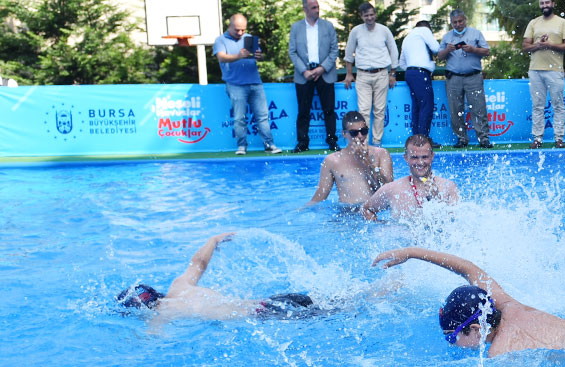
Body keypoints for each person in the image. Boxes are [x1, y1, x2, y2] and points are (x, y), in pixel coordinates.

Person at [371, 247, 565, 356]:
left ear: (476, 329)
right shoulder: (506, 305)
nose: (451, 344)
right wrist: (411, 252)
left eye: (452, 338)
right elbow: (469, 269)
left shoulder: (502, 351)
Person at [116, 233, 316, 326]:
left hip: (265, 315)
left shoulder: (161, 315)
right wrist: (212, 240)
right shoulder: (179, 286)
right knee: (331, 303)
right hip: (273, 300)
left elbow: (152, 342)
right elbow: (199, 263)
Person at [213, 14, 283, 155]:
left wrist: (259, 56)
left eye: (243, 30)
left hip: (255, 82)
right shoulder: (221, 40)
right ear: (229, 26)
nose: (240, 33)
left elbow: (260, 56)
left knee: (262, 116)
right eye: (237, 30)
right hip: (235, 84)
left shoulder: (249, 38)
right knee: (240, 117)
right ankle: (241, 146)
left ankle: (269, 145)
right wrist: (238, 56)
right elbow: (221, 57)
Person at [361, 134, 460, 220]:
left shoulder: (448, 188)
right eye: (414, 157)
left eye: (425, 157)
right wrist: (383, 228)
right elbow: (366, 209)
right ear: (406, 158)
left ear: (432, 156)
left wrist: (436, 198)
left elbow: (455, 223)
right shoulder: (392, 190)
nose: (420, 163)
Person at [306, 111, 395, 207]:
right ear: (344, 134)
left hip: (374, 211)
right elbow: (320, 197)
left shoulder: (381, 154)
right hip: (346, 214)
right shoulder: (332, 161)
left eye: (364, 131)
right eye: (354, 133)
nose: (360, 136)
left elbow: (388, 190)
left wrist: (366, 160)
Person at [287, 0, 341, 153]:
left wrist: (322, 68)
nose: (317, 10)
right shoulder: (296, 28)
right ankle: (302, 142)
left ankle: (332, 141)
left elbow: (334, 50)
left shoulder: (328, 26)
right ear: (305, 9)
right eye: (313, 8)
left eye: (318, 7)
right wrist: (304, 70)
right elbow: (292, 52)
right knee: (303, 111)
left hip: (325, 72)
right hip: (304, 74)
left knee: (329, 110)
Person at [343, 2, 399, 148]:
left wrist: (392, 73)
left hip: (382, 73)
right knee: (364, 111)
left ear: (375, 14)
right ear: (361, 16)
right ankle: (364, 143)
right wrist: (349, 74)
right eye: (366, 15)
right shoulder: (356, 31)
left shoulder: (384, 30)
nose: (369, 17)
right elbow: (349, 53)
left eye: (372, 14)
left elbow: (393, 51)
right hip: (362, 74)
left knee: (380, 110)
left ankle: (377, 142)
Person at [523, 0, 565, 149]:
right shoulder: (533, 23)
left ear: (553, 4)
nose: (544, 5)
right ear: (540, 5)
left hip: (555, 69)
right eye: (542, 3)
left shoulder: (562, 22)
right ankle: (537, 138)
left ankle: (559, 138)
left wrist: (551, 45)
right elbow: (525, 46)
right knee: (538, 106)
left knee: (558, 105)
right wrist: (538, 45)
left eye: (547, 2)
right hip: (535, 70)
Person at [438, 9, 493, 149]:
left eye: (460, 21)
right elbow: (439, 56)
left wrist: (473, 50)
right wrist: (447, 50)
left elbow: (487, 51)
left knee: (478, 107)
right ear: (451, 23)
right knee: (455, 109)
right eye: (455, 22)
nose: (458, 24)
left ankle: (483, 138)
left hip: (473, 77)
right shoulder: (446, 37)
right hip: (453, 78)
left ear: (465, 20)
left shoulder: (476, 33)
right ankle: (461, 138)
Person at [400, 19, 440, 139]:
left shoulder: (407, 38)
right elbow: (436, 48)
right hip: (421, 73)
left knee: (417, 107)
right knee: (426, 106)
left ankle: (417, 138)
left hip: (410, 73)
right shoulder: (424, 30)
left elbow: (401, 63)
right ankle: (424, 139)